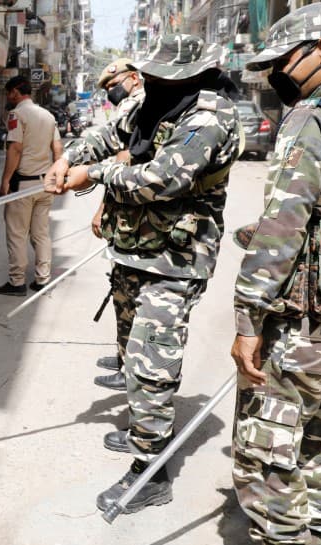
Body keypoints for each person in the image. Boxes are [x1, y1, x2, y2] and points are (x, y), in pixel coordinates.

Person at [47, 34, 242, 513]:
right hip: (137, 252)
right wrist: (69, 157)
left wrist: (94, 176)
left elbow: (163, 178)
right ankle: (148, 431)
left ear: (192, 74)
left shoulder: (210, 116)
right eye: (149, 74)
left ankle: (151, 473)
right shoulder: (157, 102)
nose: (150, 82)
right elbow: (109, 135)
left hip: (176, 260)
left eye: (161, 76)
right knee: (133, 360)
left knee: (151, 364)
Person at [230, 4, 321, 544]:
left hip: (305, 325)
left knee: (269, 456)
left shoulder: (314, 118)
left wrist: (246, 321)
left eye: (285, 60)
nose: (275, 75)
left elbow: (284, 228)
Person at [46, 57, 145, 392]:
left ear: (133, 79)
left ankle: (130, 366)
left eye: (113, 86)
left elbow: (123, 158)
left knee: (131, 298)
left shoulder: (141, 106)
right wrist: (68, 160)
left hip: (139, 221)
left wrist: (101, 206)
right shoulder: (130, 107)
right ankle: (124, 358)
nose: (111, 92)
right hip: (130, 219)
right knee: (122, 291)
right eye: (106, 89)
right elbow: (105, 140)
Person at [0, 75, 63, 296]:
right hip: (45, 184)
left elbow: (15, 149)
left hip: (23, 185)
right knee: (41, 233)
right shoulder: (48, 115)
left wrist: (5, 181)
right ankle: (43, 280)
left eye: (8, 92)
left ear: (15, 92)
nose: (8, 97)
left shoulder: (17, 114)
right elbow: (58, 149)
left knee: (16, 234)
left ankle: (17, 282)